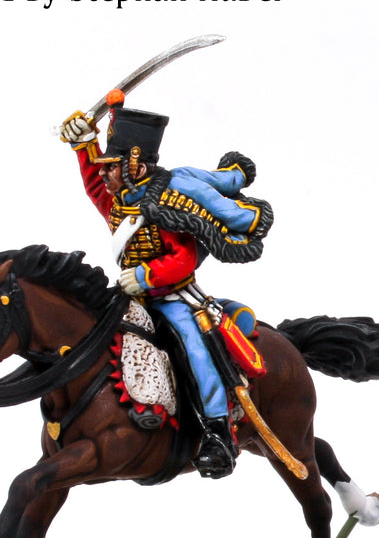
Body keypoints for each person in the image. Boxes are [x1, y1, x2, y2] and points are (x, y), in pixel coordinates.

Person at [59, 92, 271, 478]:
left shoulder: (168, 204)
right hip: (129, 297)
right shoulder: (119, 201)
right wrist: (83, 144)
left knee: (194, 350)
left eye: (111, 167)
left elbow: (183, 258)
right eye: (105, 167)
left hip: (173, 298)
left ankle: (218, 434)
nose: (104, 174)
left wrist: (144, 276)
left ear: (135, 166)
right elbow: (94, 185)